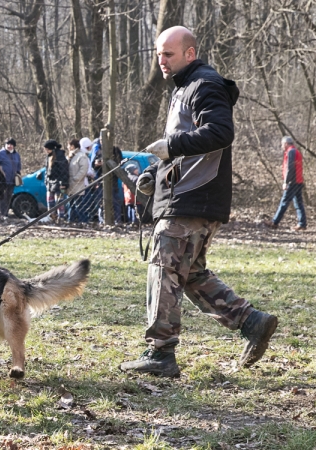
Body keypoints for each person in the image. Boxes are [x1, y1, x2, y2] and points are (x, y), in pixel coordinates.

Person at [120, 26, 278, 377]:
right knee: (189, 273)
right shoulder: (184, 88)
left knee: (164, 267)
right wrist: (157, 175)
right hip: (190, 198)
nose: (161, 60)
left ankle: (160, 353)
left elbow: (220, 133)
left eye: (169, 54)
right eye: (158, 53)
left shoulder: (204, 85)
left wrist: (172, 147)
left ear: (189, 54)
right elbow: (192, 150)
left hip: (194, 201)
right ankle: (251, 321)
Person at [264, 136, 307, 231]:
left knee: (284, 201)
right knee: (298, 203)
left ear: (286, 144)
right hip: (298, 180)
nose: (281, 146)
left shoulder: (291, 152)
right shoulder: (295, 151)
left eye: (282, 144)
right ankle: (302, 224)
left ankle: (274, 222)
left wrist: (286, 182)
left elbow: (290, 168)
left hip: (293, 181)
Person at [37, 139, 69, 222]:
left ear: (51, 148)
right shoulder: (48, 156)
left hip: (59, 183)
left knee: (59, 203)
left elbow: (64, 172)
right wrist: (46, 181)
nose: (45, 151)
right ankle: (51, 217)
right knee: (50, 202)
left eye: (46, 149)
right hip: (50, 183)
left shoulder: (60, 157)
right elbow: (47, 171)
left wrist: (63, 183)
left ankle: (61, 218)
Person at [0, 138, 21, 218]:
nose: (9, 146)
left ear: (14, 146)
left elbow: (19, 166)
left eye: (11, 144)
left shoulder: (17, 155)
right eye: (8, 144)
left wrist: (18, 173)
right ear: (5, 145)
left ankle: (5, 213)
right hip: (2, 180)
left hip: (12, 180)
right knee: (1, 196)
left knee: (9, 196)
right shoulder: (0, 153)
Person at [66, 138, 90, 223]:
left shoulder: (81, 156)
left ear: (72, 146)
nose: (67, 147)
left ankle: (83, 222)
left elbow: (83, 170)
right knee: (70, 205)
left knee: (79, 205)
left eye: (68, 145)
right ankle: (71, 221)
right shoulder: (70, 156)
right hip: (70, 186)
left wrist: (75, 178)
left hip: (77, 185)